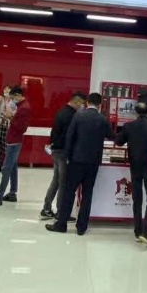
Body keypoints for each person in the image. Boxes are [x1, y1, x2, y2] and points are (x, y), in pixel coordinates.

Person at [47, 92, 114, 236]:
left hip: (76, 161)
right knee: (87, 193)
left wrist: (67, 156)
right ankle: (82, 227)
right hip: (93, 162)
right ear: (100, 105)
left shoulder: (78, 116)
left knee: (69, 191)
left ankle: (61, 224)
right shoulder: (103, 120)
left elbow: (70, 136)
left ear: (87, 102)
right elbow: (112, 136)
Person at [115, 102, 147, 246]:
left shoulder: (128, 126)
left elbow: (119, 142)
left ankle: (137, 231)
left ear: (135, 113)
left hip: (135, 166)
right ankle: (146, 233)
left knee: (137, 200)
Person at [41, 92, 87, 219]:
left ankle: (46, 208)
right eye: (82, 103)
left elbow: (54, 132)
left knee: (56, 181)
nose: (83, 106)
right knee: (63, 183)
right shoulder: (71, 115)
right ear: (77, 101)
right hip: (63, 152)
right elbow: (69, 136)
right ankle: (61, 213)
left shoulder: (61, 111)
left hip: (56, 150)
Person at [0, 86, 29, 208]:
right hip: (12, 140)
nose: (12, 99)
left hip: (14, 141)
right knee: (13, 167)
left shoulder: (24, 108)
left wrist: (10, 117)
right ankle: (12, 193)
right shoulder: (21, 106)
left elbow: (22, 128)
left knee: (6, 168)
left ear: (18, 95)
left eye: (13, 97)